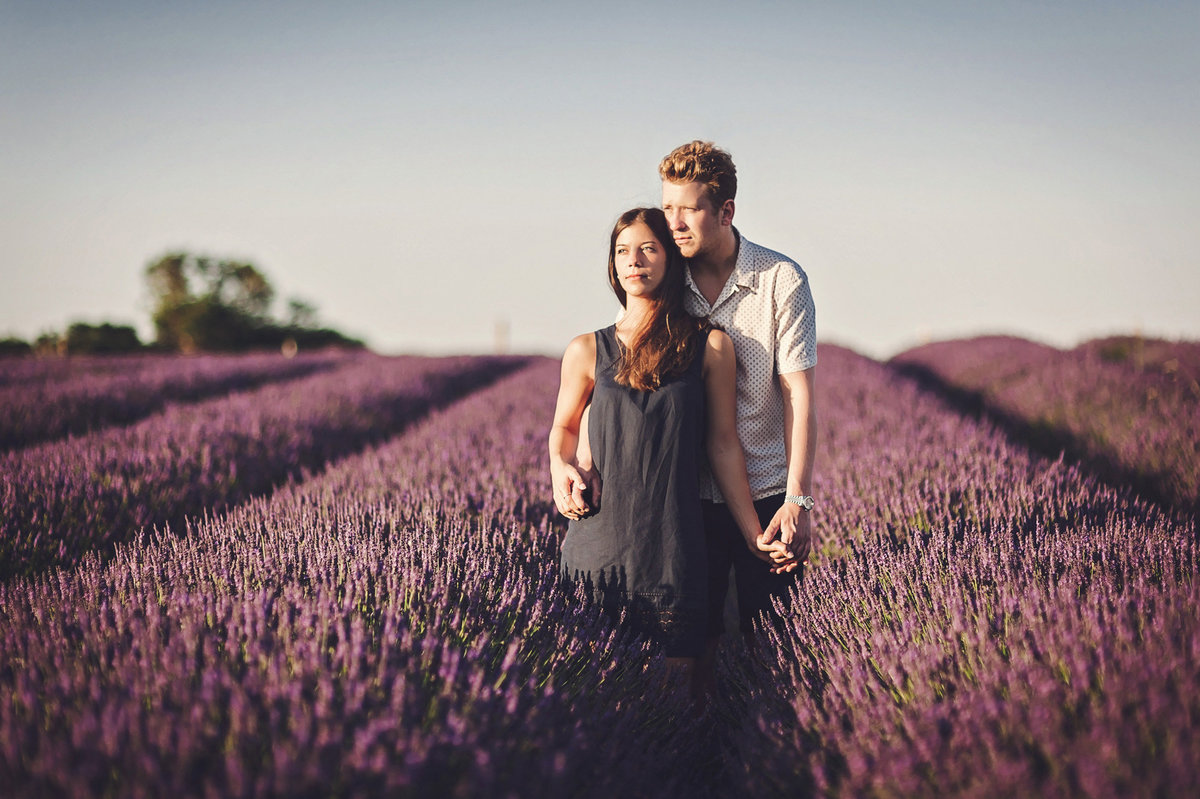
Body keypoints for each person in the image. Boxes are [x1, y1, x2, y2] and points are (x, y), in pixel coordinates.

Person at [548, 207, 795, 695]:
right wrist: (561, 466)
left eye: (648, 249)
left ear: (670, 259)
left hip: (673, 548)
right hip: (599, 544)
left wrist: (753, 534)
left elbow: (723, 445)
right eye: (622, 251)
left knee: (679, 692)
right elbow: (564, 427)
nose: (633, 261)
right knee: (594, 691)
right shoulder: (586, 349)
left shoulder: (711, 346)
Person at [657, 140, 818, 664]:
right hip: (684, 496)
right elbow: (616, 371)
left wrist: (799, 500)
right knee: (689, 649)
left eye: (689, 210)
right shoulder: (662, 282)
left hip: (768, 492)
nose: (674, 223)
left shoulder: (780, 280)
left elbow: (799, 394)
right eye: (667, 208)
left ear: (726, 211)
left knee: (776, 647)